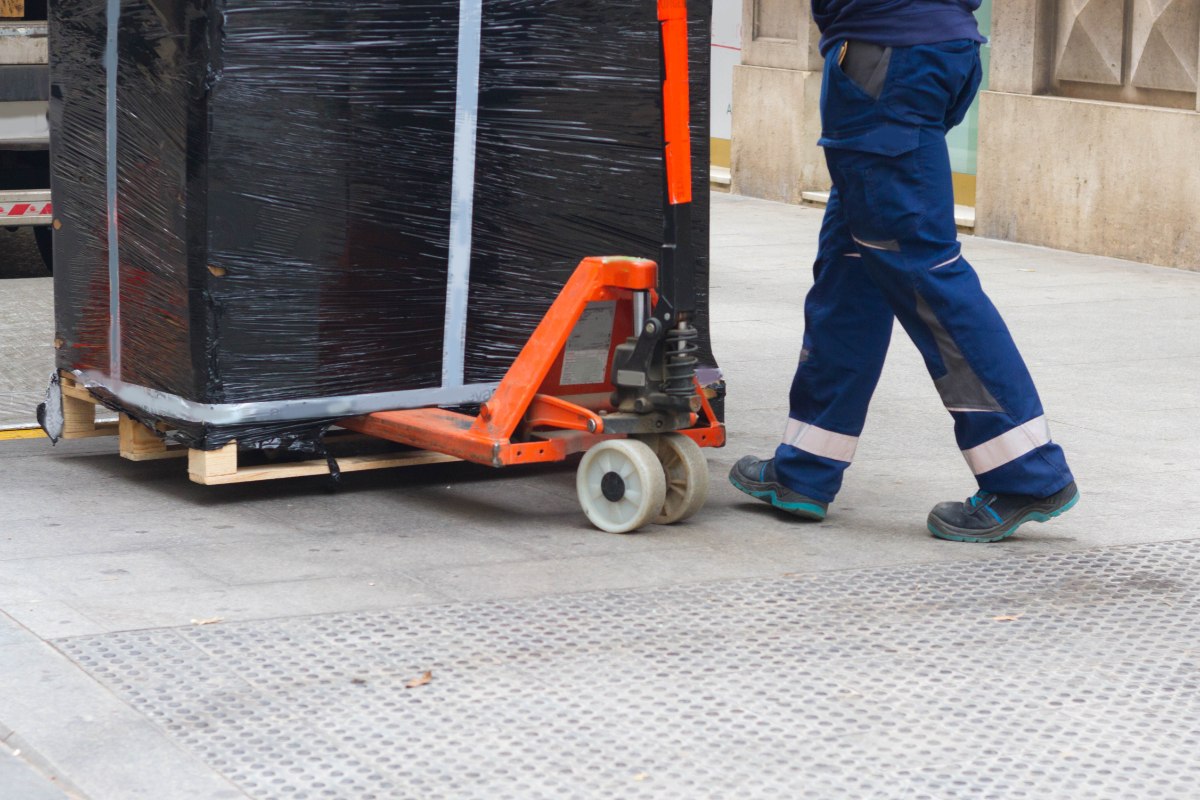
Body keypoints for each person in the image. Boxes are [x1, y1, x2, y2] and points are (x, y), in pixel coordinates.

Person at [727, 0, 1078, 542]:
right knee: (851, 271)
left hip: (887, 61)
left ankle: (1026, 472)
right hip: (933, 50)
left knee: (924, 271)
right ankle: (805, 469)